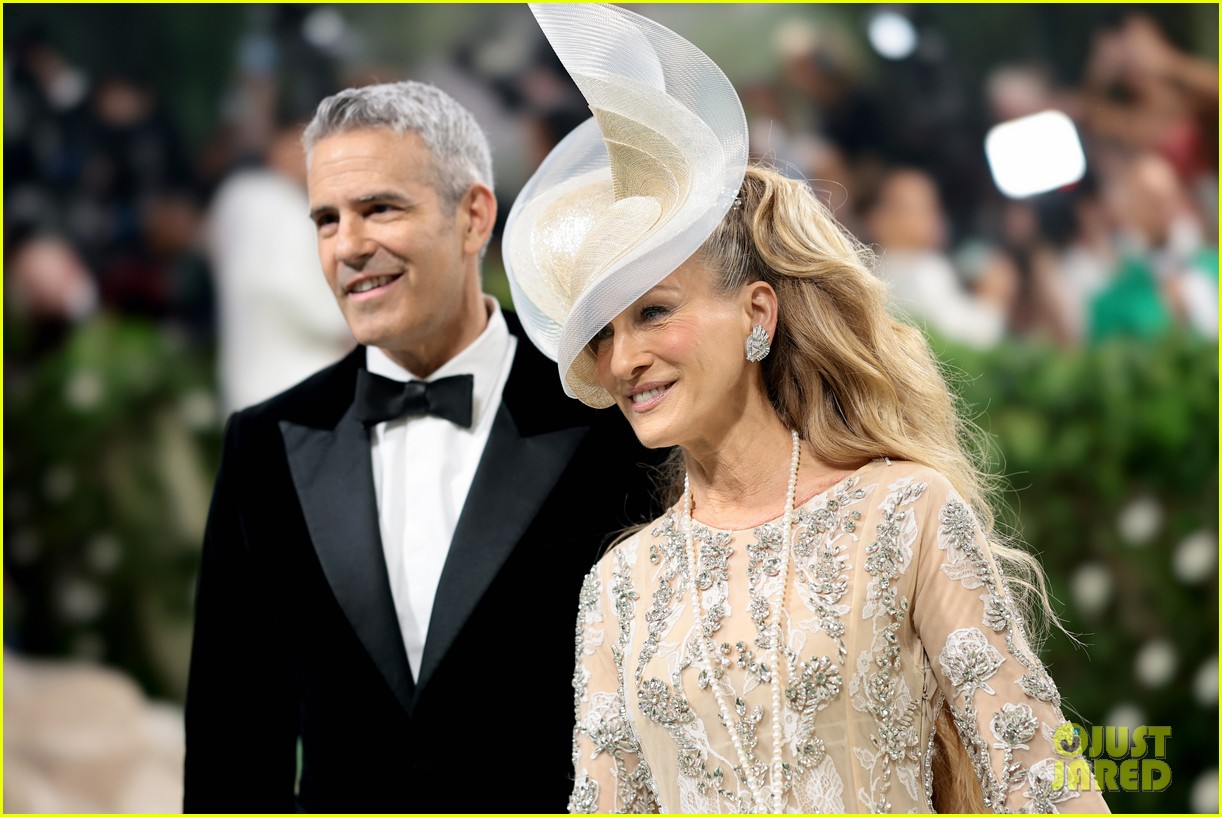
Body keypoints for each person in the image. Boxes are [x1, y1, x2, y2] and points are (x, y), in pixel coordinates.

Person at [505, 5, 1111, 813]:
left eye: (653, 312)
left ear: (757, 313)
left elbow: (1046, 782)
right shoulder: (619, 588)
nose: (623, 359)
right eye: (604, 335)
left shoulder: (905, 516)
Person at [183, 80, 661, 812]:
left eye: (380, 208)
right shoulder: (264, 445)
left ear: (473, 216)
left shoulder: (607, 422)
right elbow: (233, 743)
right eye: (325, 219)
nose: (348, 246)